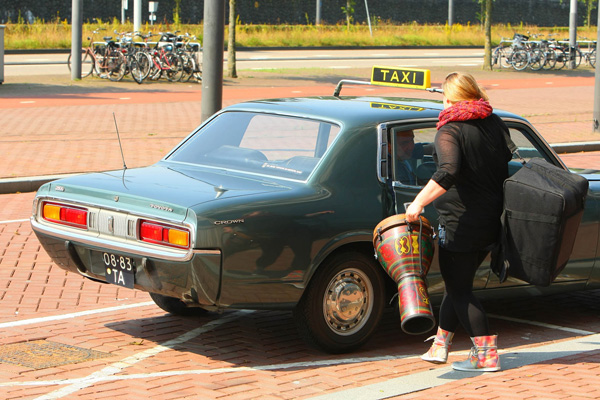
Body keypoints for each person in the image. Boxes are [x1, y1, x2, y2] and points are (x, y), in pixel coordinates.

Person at [405, 72, 512, 372]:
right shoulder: (494, 123)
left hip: (460, 223)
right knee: (459, 285)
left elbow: (448, 170)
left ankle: (486, 354)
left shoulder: (450, 130)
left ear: (450, 99)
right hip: (491, 220)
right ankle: (441, 346)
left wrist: (418, 202)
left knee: (460, 290)